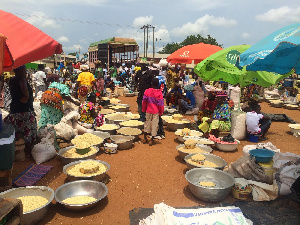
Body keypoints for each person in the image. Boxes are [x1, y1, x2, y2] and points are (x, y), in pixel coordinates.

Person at [4, 65, 37, 157]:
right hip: (24, 109)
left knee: (18, 130)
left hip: (15, 108)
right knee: (28, 130)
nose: (26, 71)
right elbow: (25, 90)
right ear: (21, 70)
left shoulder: (12, 80)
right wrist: (26, 96)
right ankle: (28, 152)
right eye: (24, 69)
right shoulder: (22, 79)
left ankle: (18, 150)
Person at [142, 78, 164, 146]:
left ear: (151, 84)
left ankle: (145, 137)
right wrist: (161, 112)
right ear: (158, 85)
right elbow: (161, 104)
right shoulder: (159, 93)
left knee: (147, 123)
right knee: (155, 125)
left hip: (148, 110)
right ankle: (151, 140)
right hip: (155, 111)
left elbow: (144, 101)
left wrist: (143, 109)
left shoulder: (147, 91)